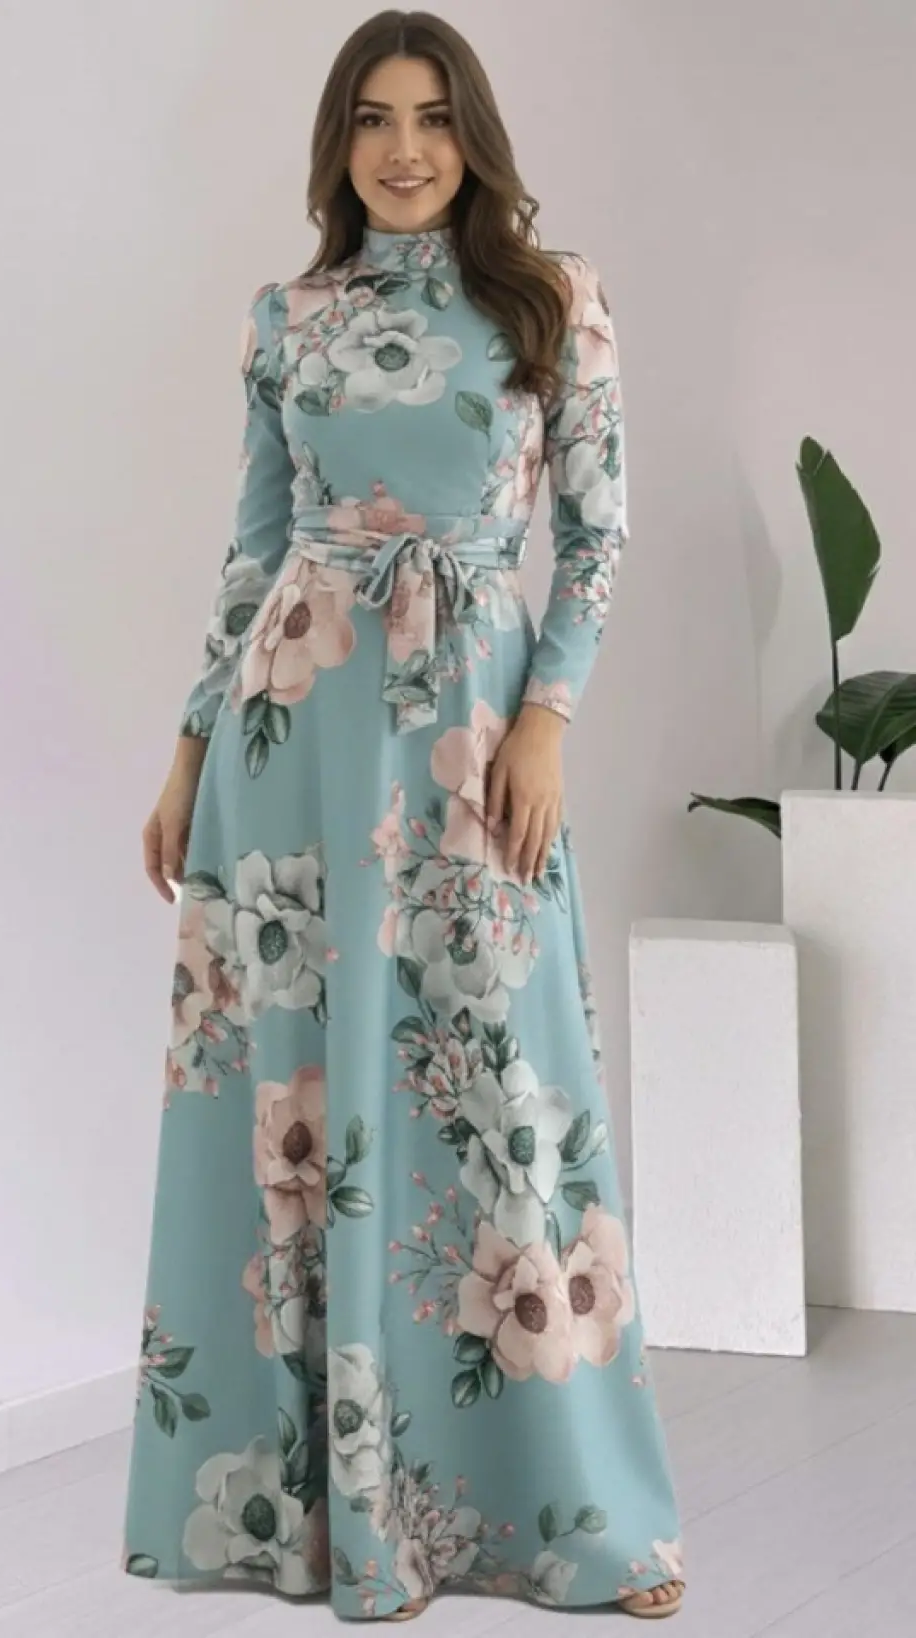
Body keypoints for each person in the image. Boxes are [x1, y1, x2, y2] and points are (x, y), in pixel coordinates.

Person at [122, 8, 685, 1624]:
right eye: (372, 118)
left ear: (473, 134)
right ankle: (328, 1522)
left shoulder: (552, 301)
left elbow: (597, 535)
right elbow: (253, 550)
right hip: (291, 753)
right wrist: (187, 752)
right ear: (339, 144)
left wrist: (547, 718)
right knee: (300, 1111)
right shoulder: (288, 319)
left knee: (508, 1098)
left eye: (432, 116)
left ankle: (578, 1520)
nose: (404, 148)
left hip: (472, 744)